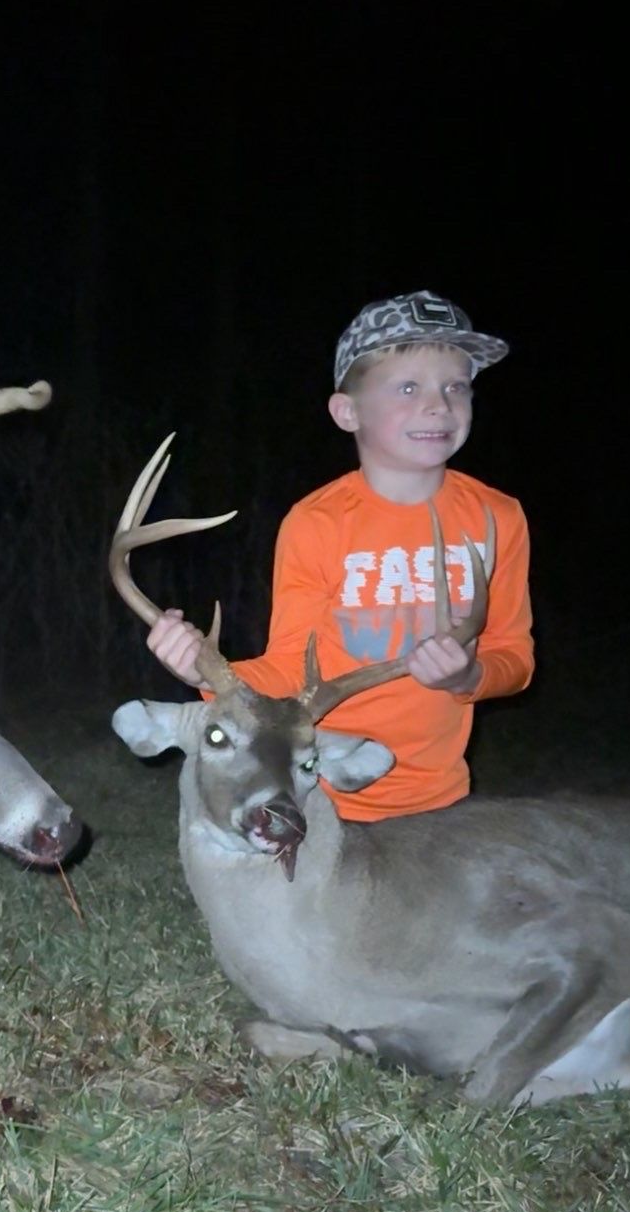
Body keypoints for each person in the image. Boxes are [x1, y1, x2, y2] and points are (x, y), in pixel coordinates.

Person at [147, 291, 534, 821]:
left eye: (456, 387)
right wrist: (202, 669)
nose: (439, 405)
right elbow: (287, 668)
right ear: (347, 411)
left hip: (442, 802)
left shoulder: (497, 517)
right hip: (324, 794)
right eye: (407, 387)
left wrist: (470, 677)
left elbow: (515, 657)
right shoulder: (316, 523)